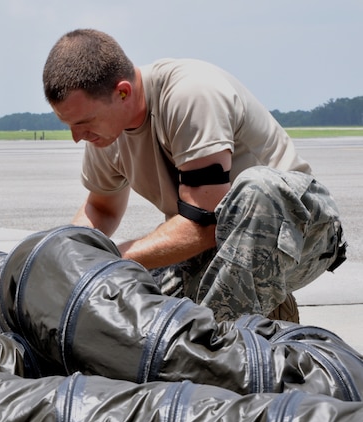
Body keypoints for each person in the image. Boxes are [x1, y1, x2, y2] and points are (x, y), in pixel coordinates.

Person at [42, 29, 347, 323]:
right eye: (68, 124)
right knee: (122, 306)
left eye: (84, 122)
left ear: (123, 92)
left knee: (257, 188)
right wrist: (62, 263)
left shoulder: (190, 94)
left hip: (299, 233)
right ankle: (265, 321)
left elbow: (204, 220)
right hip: (213, 244)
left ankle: (227, 346)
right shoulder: (106, 131)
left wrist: (109, 258)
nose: (76, 137)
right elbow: (101, 209)